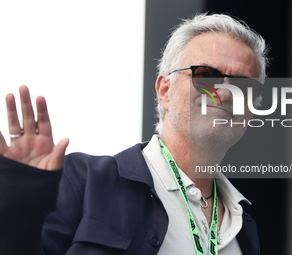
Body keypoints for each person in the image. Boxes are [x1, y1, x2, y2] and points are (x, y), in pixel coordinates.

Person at [0, 13, 268, 255]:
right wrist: (22, 202)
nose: (224, 93)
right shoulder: (85, 181)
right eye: (206, 75)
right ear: (165, 91)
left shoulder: (244, 228)